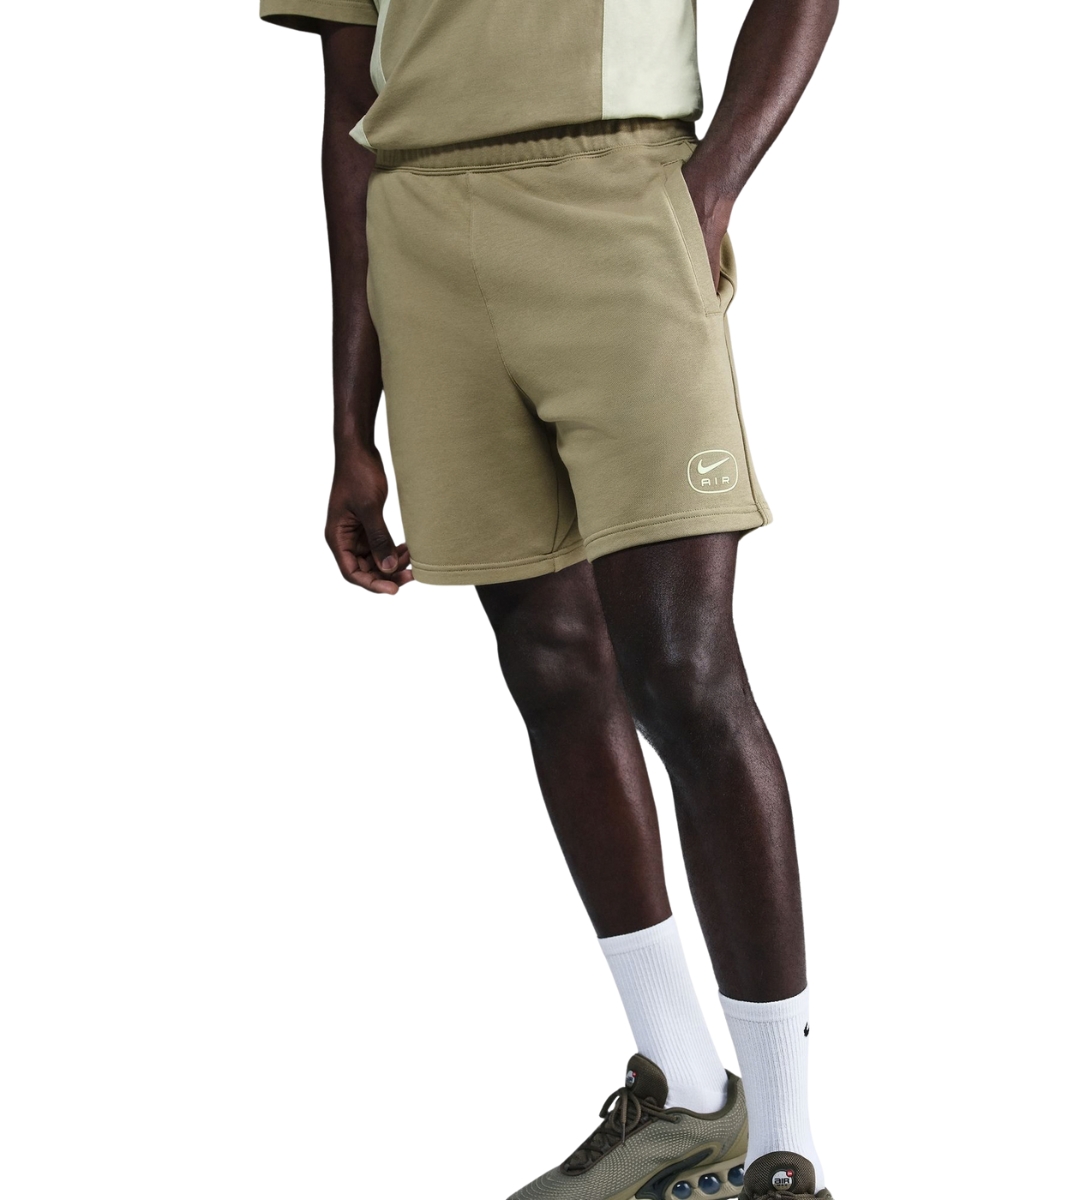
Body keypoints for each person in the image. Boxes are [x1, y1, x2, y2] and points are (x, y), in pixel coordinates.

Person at [259, 2, 839, 1197]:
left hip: (619, 198)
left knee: (683, 674)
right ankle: (687, 1092)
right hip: (422, 230)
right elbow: (346, 107)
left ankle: (789, 1150)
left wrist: (710, 188)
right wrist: (347, 424)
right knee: (552, 665)